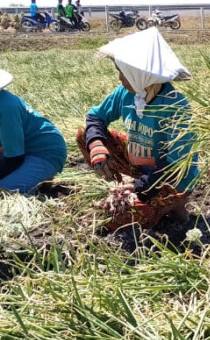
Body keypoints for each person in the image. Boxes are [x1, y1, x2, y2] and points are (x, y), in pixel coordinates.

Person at [75, 27, 198, 229]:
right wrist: (97, 145)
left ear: (138, 73)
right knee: (84, 135)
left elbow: (176, 167)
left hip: (169, 178)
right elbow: (95, 116)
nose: (120, 79)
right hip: (140, 167)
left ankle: (176, 205)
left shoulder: (176, 107)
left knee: (126, 220)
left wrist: (138, 186)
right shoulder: (126, 93)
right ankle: (122, 189)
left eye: (122, 73)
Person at [0, 69, 67, 194]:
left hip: (43, 153)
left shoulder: (6, 108)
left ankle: (41, 178)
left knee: (5, 192)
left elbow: (14, 158)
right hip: (16, 150)